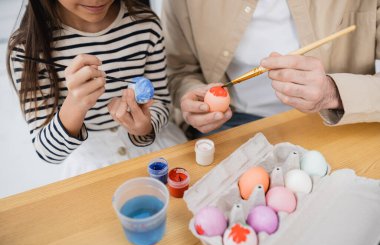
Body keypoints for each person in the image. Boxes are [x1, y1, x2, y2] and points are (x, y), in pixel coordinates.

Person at [7, 0, 186, 178]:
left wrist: (145, 127)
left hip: (157, 149)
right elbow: (48, 152)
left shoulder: (145, 25)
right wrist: (75, 105)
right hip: (92, 167)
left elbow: (161, 101)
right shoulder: (28, 48)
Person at [162, 0, 380, 138]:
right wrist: (193, 97)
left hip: (340, 122)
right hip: (236, 123)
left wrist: (333, 93)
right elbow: (179, 71)